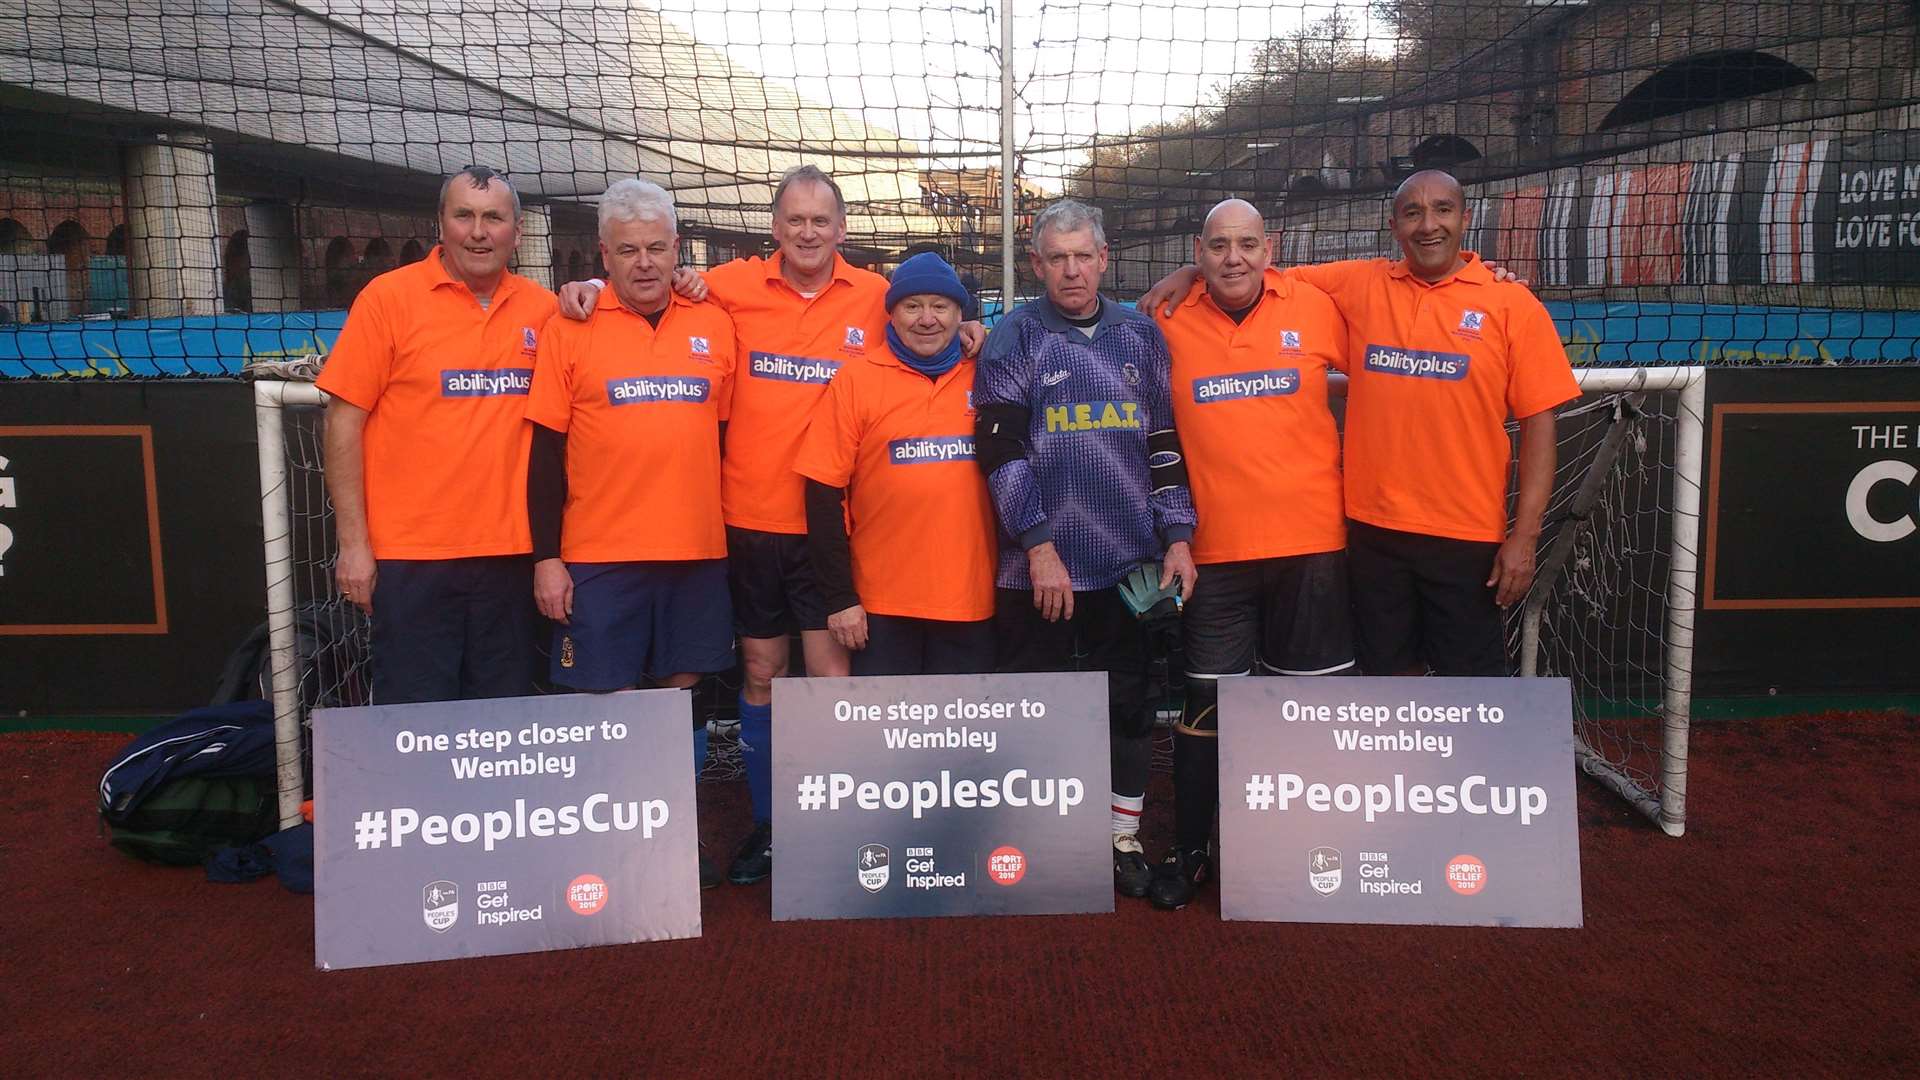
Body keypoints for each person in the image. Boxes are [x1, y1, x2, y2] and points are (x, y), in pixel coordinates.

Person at [1141, 170, 1579, 678]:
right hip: (1371, 534)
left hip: (1466, 537)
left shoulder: (1511, 304)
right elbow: (1252, 270)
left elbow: (1540, 421)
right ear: (1394, 225)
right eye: (1412, 213)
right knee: (1385, 689)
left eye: (1442, 210)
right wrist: (1188, 274)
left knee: (1472, 695)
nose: (1428, 225)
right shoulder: (1358, 284)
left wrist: (1524, 537)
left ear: (1465, 218)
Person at [973, 199, 1198, 900]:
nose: (1071, 270)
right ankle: (1036, 841)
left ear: (1105, 259)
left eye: (1083, 256)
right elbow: (1000, 451)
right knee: (1031, 707)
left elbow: (1163, 443)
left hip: (1129, 566)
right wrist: (1037, 545)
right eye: (1056, 258)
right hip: (1037, 567)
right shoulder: (1014, 338)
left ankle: (1120, 839)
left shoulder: (1140, 335)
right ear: (1037, 265)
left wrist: (1179, 535)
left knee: (1129, 709)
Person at [1144, 198, 1356, 911]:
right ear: (1197, 252)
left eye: (1246, 244)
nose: (1233, 258)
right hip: (1214, 553)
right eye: (1217, 246)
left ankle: (1304, 848)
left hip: (1312, 546)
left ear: (1272, 248)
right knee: (1205, 707)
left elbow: (1402, 293)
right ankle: (1193, 846)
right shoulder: (1163, 320)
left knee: (1305, 708)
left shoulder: (1320, 304)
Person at [316, 166, 555, 704]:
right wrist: (354, 544)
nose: (478, 231)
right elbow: (343, 419)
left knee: (501, 732)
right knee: (416, 729)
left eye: (493, 217)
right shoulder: (388, 299)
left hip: (513, 559)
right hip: (412, 560)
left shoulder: (544, 310)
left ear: (516, 232)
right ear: (440, 225)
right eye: (463, 215)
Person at [793, 252, 995, 675]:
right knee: (885, 739)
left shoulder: (989, 372)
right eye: (912, 306)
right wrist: (840, 599)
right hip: (879, 606)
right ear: (893, 313)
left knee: (960, 737)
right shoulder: (856, 380)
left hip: (971, 600)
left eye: (940, 306)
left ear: (960, 314)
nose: (927, 319)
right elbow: (823, 494)